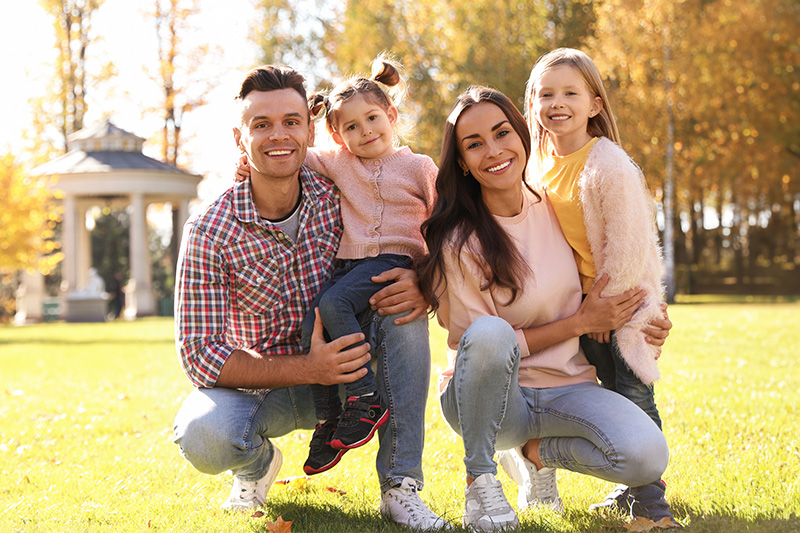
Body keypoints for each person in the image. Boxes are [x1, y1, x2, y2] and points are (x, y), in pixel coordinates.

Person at [173, 64, 450, 531]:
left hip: (356, 371)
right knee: (204, 434)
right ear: (240, 139)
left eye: (291, 122)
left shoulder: (339, 192)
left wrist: (426, 284)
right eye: (261, 125)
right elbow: (200, 357)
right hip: (270, 386)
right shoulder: (209, 230)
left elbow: (430, 226)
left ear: (309, 131)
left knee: (400, 305)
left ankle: (401, 487)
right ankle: (257, 466)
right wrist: (309, 368)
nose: (278, 135)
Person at [417, 86, 672, 531]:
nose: (493, 151)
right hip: (493, 403)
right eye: (474, 144)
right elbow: (480, 350)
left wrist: (646, 316)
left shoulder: (555, 205)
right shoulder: (459, 242)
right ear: (461, 162)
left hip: (567, 388)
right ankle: (480, 481)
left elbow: (612, 266)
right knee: (491, 333)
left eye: (502, 133)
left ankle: (535, 455)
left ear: (522, 135)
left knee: (647, 455)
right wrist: (579, 323)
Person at [236, 55, 437, 476]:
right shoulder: (340, 163)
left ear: (392, 115)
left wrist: (429, 273)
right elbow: (289, 155)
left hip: (394, 260)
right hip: (350, 266)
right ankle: (330, 421)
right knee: (315, 324)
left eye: (373, 118)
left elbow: (446, 221)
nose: (365, 131)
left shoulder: (419, 167)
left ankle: (363, 399)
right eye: (351, 127)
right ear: (336, 134)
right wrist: (242, 163)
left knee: (333, 306)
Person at [522, 47, 679, 526]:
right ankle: (633, 490)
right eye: (546, 94)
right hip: (583, 312)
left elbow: (631, 247)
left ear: (594, 104)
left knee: (632, 398)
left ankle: (652, 505)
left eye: (571, 92)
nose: (557, 103)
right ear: (532, 103)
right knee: (611, 397)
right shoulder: (539, 167)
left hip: (620, 306)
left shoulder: (606, 163)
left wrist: (614, 312)